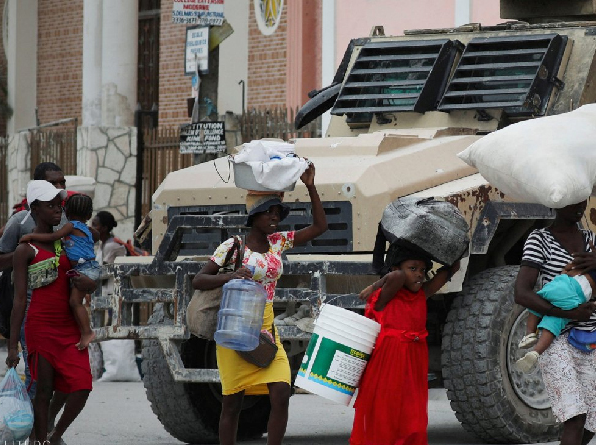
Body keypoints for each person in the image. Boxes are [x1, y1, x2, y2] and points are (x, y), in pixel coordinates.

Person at [192, 162, 327, 445]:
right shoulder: (232, 246)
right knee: (232, 403)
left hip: (266, 329)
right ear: (254, 216)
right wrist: (230, 276)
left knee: (280, 393)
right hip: (236, 328)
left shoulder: (278, 243)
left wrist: (310, 185)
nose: (274, 217)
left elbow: (319, 226)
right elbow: (199, 280)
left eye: (278, 212)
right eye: (269, 212)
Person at [514, 200, 596, 445]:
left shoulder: (591, 239)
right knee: (574, 418)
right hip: (554, 338)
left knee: (588, 427)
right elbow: (522, 293)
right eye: (572, 200)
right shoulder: (539, 239)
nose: (580, 206)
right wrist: (570, 313)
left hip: (586, 340)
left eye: (583, 200)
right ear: (557, 200)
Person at [6, 180, 95, 445]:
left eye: (60, 205)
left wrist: (91, 284)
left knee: (82, 385)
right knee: (43, 391)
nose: (58, 210)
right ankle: (41, 440)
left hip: (69, 327)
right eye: (51, 206)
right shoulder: (25, 249)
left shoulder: (67, 242)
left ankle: (55, 434)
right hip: (40, 327)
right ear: (34, 209)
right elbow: (19, 300)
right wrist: (12, 346)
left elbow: (87, 273)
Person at [351, 246, 460, 445]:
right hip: (389, 361)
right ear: (395, 268)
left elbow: (450, 269)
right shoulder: (386, 295)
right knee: (387, 413)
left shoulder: (422, 293)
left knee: (413, 414)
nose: (419, 274)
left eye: (422, 270)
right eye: (413, 268)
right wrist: (376, 285)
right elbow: (397, 277)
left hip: (414, 358)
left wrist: (455, 250)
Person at [0, 162, 69, 405]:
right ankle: (32, 431)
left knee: (68, 379)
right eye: (52, 183)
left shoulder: (66, 220)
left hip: (62, 309)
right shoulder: (20, 222)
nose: (59, 187)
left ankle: (46, 430)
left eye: (61, 182)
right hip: (30, 310)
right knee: (38, 379)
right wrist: (24, 255)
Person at [515, 243, 596, 372]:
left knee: (537, 303)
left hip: (567, 284)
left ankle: (529, 334)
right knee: (553, 324)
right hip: (578, 300)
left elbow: (577, 261)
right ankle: (535, 352)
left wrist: (566, 270)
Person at [19, 193, 100, 350]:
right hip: (90, 267)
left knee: (75, 302)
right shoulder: (87, 230)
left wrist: (31, 235)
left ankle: (86, 332)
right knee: (76, 301)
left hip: (83, 269)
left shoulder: (71, 226)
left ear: (66, 213)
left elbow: (54, 236)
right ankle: (83, 331)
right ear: (89, 215)